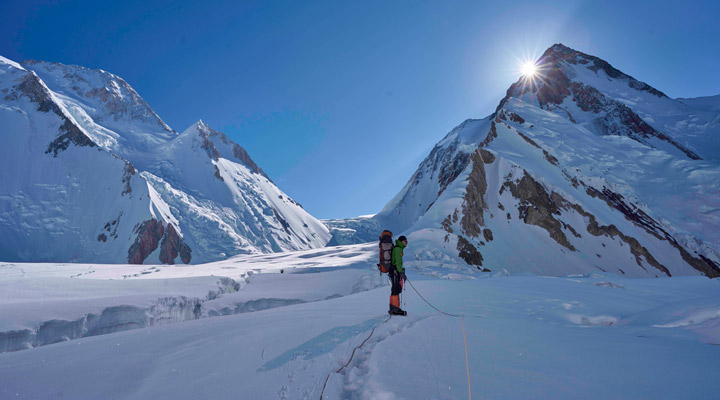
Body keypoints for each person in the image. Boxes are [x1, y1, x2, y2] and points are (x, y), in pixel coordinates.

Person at [389, 235, 408, 316]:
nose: (406, 243)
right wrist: (401, 272)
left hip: (393, 271)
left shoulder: (397, 248)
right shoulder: (398, 249)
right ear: (401, 241)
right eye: (405, 241)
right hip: (395, 271)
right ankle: (394, 309)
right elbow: (398, 262)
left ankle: (394, 307)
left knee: (395, 288)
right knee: (396, 288)